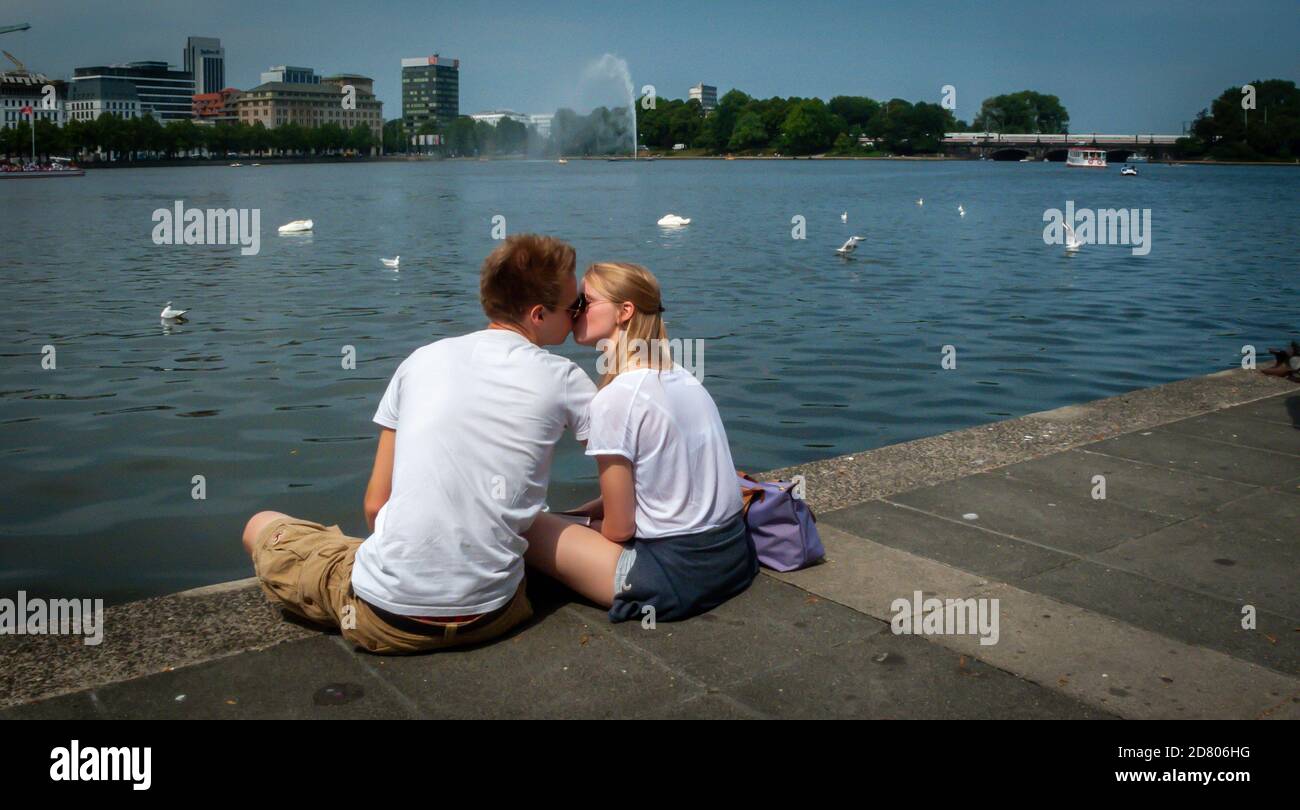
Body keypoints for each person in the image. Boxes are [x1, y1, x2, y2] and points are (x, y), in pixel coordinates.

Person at [240, 234, 596, 654]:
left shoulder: (420, 361)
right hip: (496, 614)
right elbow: (633, 454)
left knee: (260, 523)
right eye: (574, 308)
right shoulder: (564, 378)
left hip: (384, 620)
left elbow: (376, 506)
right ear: (538, 315)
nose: (578, 318)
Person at [523, 262, 758, 623]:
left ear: (624, 311)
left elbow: (620, 529)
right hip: (732, 559)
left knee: (522, 524)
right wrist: (575, 515)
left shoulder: (615, 399)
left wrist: (570, 528)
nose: (574, 311)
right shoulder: (682, 377)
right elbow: (653, 484)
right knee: (556, 522)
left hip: (673, 577)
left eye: (584, 301)